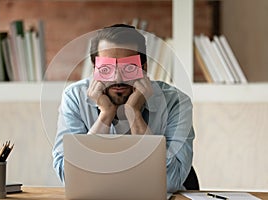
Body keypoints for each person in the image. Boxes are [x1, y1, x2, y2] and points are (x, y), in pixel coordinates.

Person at [52, 24, 195, 193]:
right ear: (94, 69)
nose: (117, 78)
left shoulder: (176, 102)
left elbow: (171, 181)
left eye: (129, 68)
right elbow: (69, 178)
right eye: (106, 69)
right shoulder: (74, 98)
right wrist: (105, 115)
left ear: (144, 68)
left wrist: (134, 113)